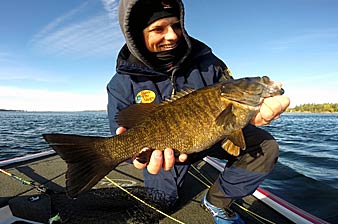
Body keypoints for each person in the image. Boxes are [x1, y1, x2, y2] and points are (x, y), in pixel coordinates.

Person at [107, 0, 290, 223]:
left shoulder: (209, 63)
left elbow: (233, 112)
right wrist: (135, 155)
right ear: (137, 35)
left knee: (266, 146)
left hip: (215, 136)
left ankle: (217, 201)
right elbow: (123, 131)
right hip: (167, 152)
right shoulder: (121, 83)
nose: (172, 36)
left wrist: (255, 115)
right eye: (158, 29)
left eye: (176, 26)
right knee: (163, 200)